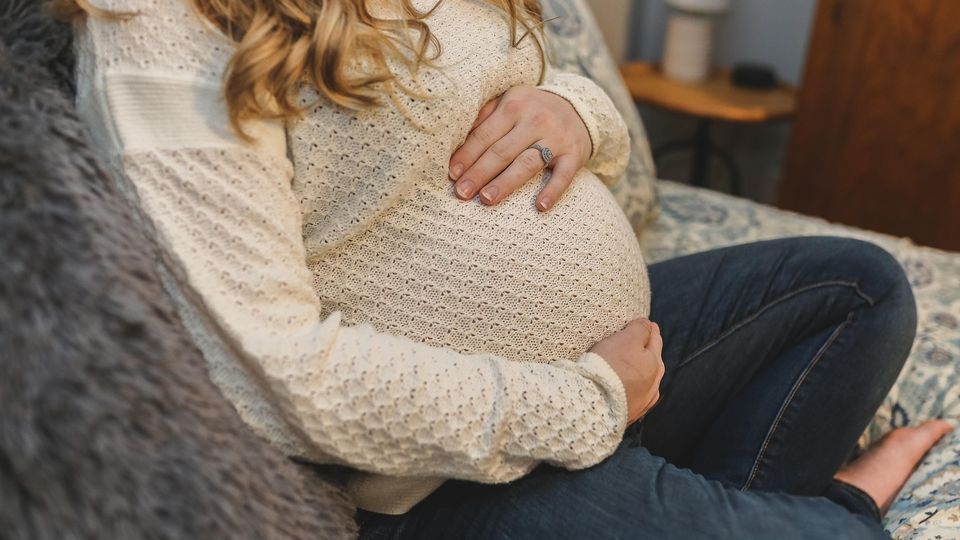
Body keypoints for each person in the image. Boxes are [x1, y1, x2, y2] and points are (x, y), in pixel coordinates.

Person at [63, 0, 951, 537]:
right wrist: (590, 401)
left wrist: (572, 108)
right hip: (432, 482)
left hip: (605, 388)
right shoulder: (160, 30)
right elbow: (275, 374)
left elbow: (523, 89)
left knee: (859, 291)